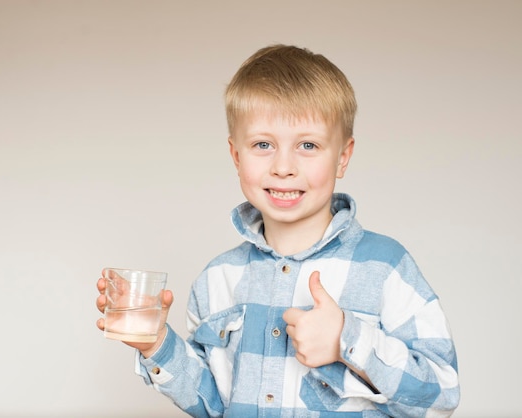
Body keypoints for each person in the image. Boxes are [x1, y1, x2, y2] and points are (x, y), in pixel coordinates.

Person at [96, 44, 460, 417]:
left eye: (307, 145)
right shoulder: (217, 279)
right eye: (263, 144)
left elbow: (442, 395)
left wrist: (348, 340)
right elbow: (214, 407)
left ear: (343, 157)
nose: (283, 167)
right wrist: (156, 344)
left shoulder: (385, 267)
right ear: (236, 156)